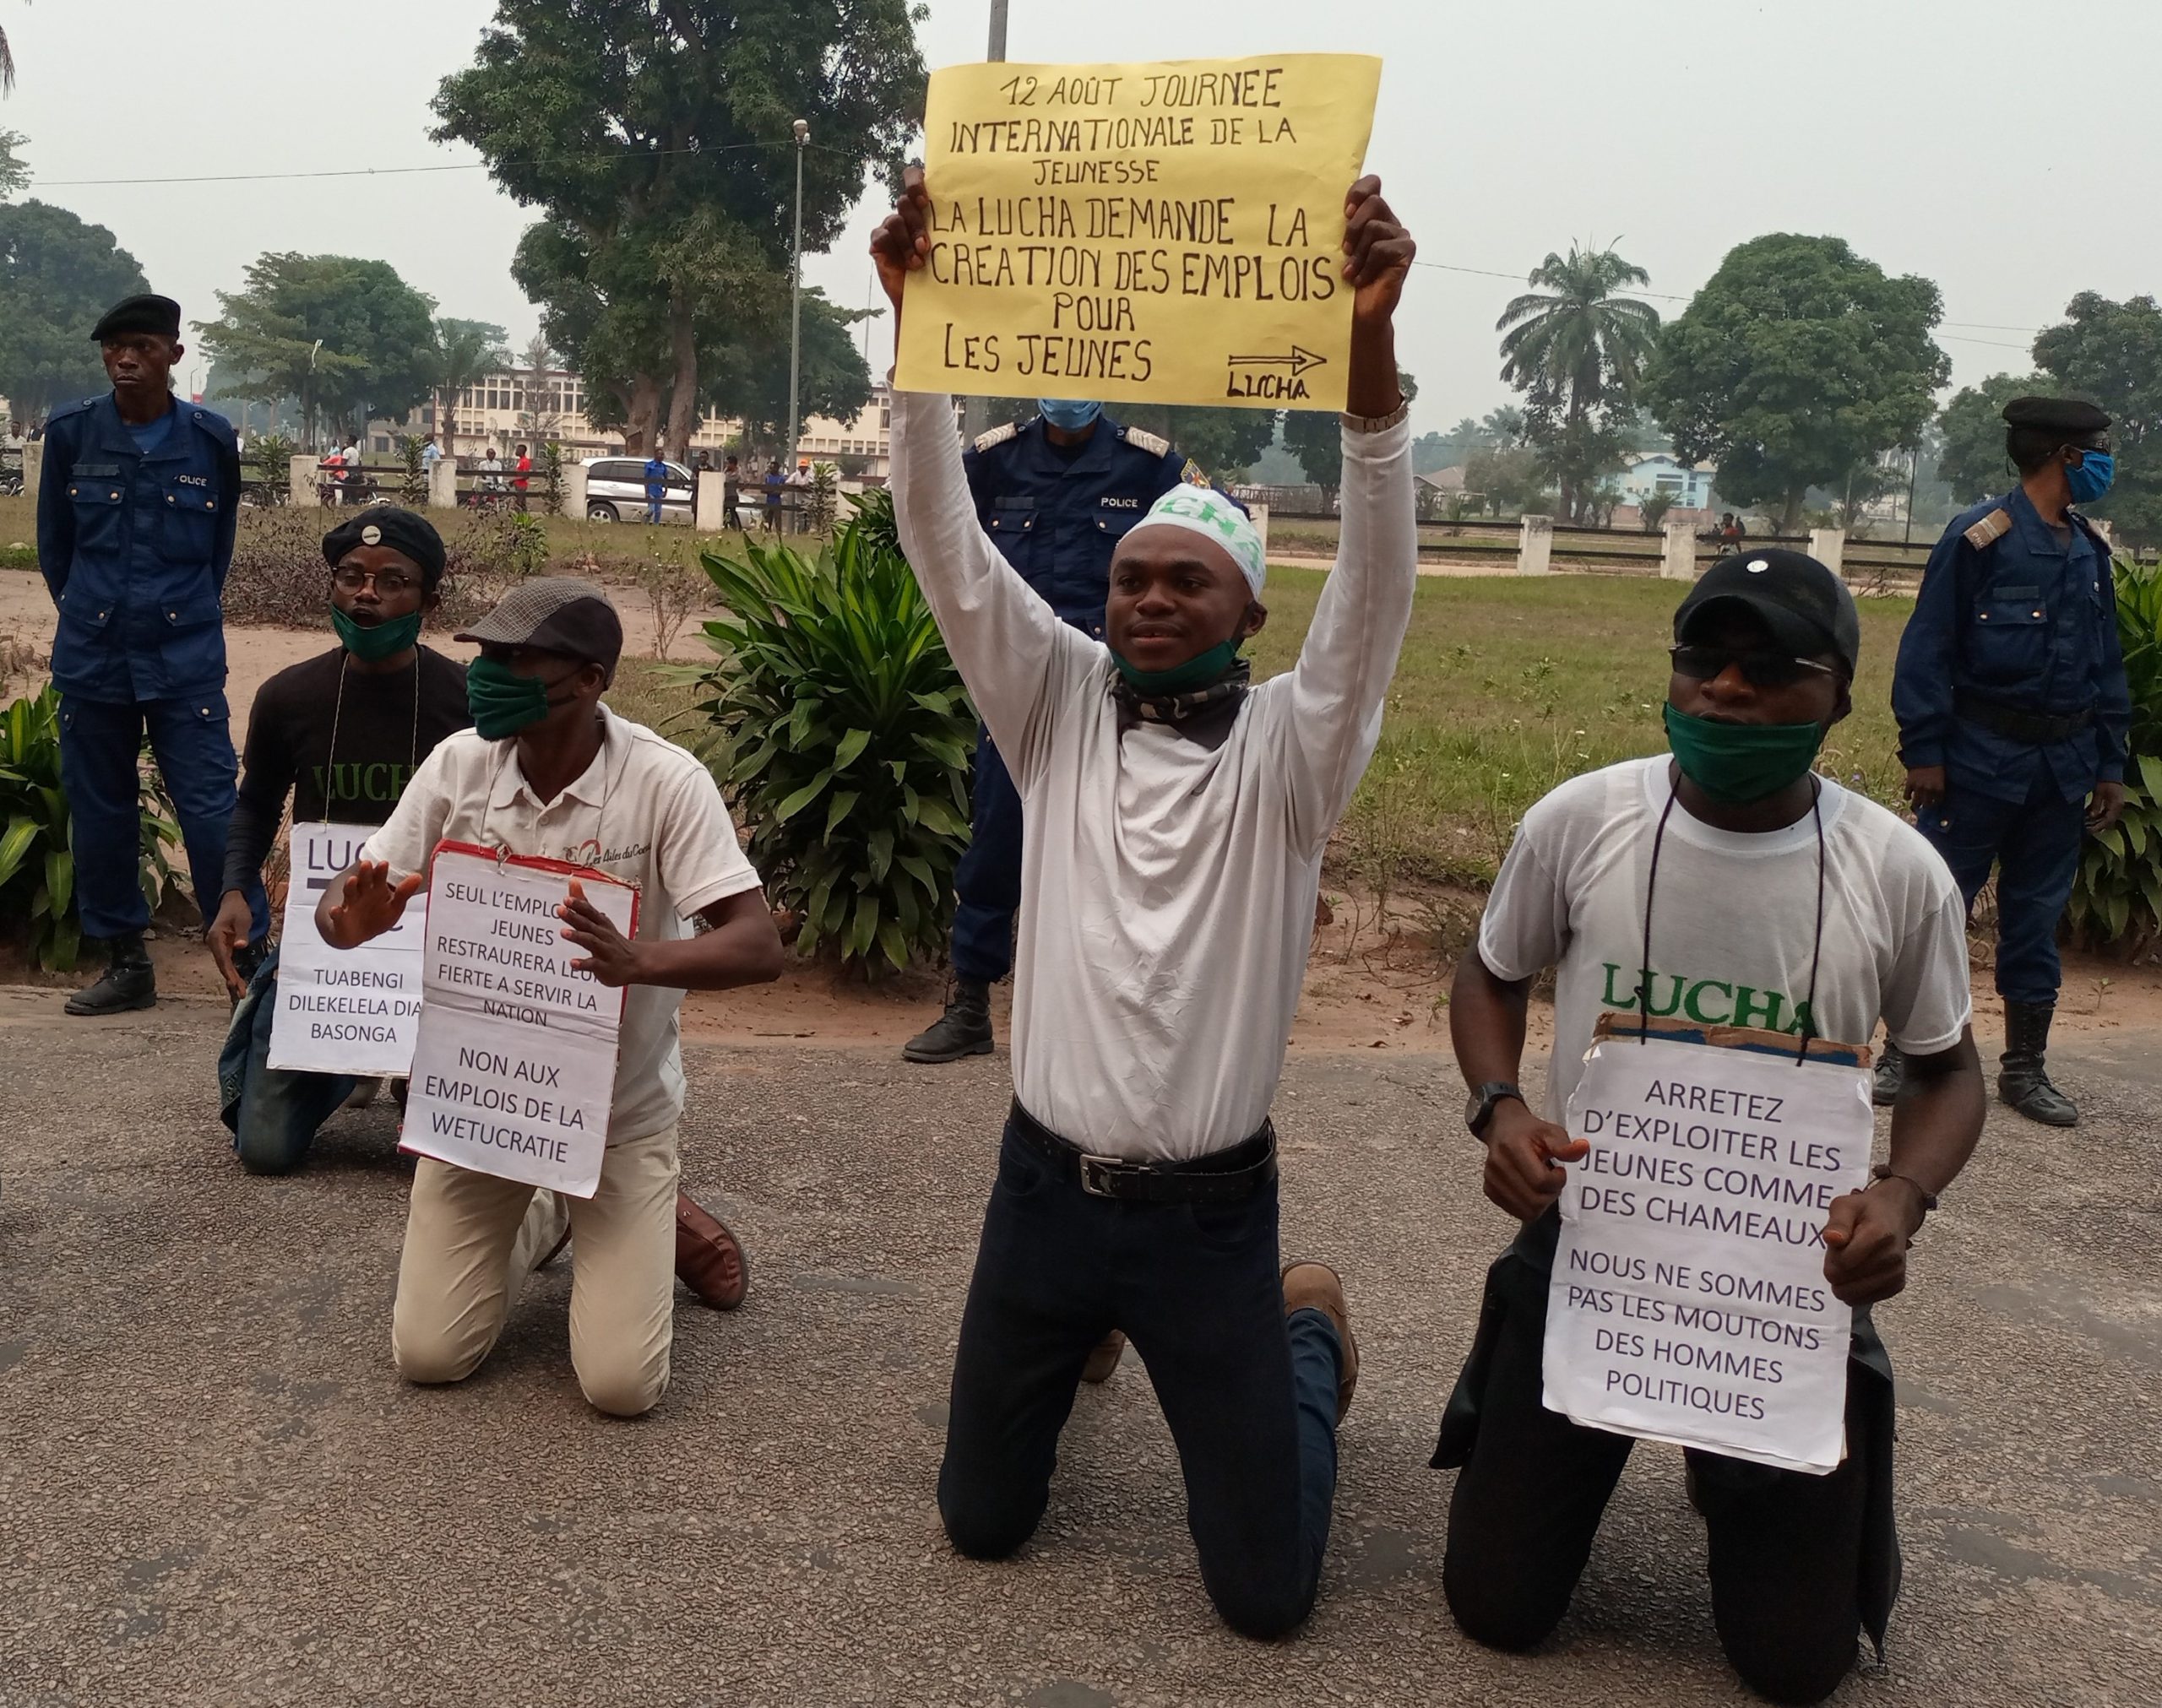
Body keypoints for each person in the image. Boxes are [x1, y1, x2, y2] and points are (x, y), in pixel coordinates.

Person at [872, 169, 1417, 1638]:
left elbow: (1378, 585)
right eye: (1129, 578)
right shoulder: (1052, 708)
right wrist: (916, 325)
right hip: (1043, 1195)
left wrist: (1371, 367)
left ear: (1249, 610)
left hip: (1209, 1221)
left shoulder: (1295, 753)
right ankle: (1082, 1337)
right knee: (980, 1526)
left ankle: (1305, 1331)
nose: (1151, 598)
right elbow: (943, 540)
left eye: (1189, 579)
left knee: (1265, 1597)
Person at [1433, 549, 1986, 1705]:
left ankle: (1726, 1448)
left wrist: (1903, 1195)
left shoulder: (1899, 871)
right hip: (1593, 1251)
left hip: (1783, 1291)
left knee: (1795, 1664)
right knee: (1498, 1608)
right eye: (1701, 662)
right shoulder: (1581, 819)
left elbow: (1946, 1070)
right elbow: (1489, 973)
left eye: (1769, 668)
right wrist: (1501, 1107)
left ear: (1838, 695)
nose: (1726, 690)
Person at [315, 578, 785, 1413]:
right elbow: (344, 912)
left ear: (590, 679)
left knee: (619, 1388)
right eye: (486, 653)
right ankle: (548, 1214)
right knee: (429, 1354)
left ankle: (597, 1204)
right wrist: (354, 917)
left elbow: (757, 944)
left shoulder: (664, 783)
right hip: (482, 1110)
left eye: (515, 658)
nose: (488, 672)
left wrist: (640, 959)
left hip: (615, 1115)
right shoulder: (460, 765)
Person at [899, 402, 1198, 1066]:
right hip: (1020, 688)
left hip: (1116, 689)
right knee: (998, 837)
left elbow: (1216, 532)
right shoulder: (992, 460)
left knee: (1123, 848)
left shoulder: (1147, 465)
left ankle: (1113, 1017)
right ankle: (970, 1002)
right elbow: (932, 522)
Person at [1882, 395, 2130, 1126]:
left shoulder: (2088, 550)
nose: (2105, 464)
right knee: (1936, 909)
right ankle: (1906, 1052)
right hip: (1976, 761)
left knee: (2035, 916)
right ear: (2064, 458)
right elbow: (1927, 648)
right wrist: (1924, 750)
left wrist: (2109, 763)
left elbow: (2105, 667)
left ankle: (2025, 1068)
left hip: (2061, 769)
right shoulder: (1980, 538)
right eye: (2097, 451)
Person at [34, 293, 269, 1015]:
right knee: (102, 809)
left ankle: (248, 966)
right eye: (113, 347)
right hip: (95, 653)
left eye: (141, 346)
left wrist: (177, 614)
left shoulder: (208, 438)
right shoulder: (74, 434)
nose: (125, 359)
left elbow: (217, 547)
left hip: (183, 655)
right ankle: (126, 960)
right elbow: (55, 547)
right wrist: (93, 613)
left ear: (174, 353)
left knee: (208, 806)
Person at [642, 451, 668, 525]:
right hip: (651, 490)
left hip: (659, 491)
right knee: (651, 510)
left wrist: (666, 490)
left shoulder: (663, 466)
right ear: (656, 455)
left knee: (658, 511)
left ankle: (656, 525)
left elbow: (666, 479)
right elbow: (645, 480)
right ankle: (645, 522)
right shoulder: (649, 465)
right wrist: (646, 492)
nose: (662, 456)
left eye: (663, 454)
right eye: (661, 454)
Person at [722, 454, 746, 531]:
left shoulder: (738, 474)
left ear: (732, 464)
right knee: (724, 512)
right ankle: (726, 526)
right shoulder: (726, 472)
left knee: (732, 512)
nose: (727, 465)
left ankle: (737, 527)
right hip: (724, 495)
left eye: (728, 463)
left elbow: (741, 486)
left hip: (732, 495)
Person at [763, 459, 784, 532]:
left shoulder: (781, 478)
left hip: (777, 501)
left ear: (777, 468)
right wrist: (772, 490)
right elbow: (763, 489)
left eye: (773, 468)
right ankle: (767, 533)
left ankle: (779, 534)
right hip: (768, 501)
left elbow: (779, 491)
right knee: (767, 519)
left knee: (778, 520)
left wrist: (770, 490)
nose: (771, 469)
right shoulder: (767, 478)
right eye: (770, 468)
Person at [513, 442, 533, 509]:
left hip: (521, 485)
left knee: (520, 503)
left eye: (517, 450)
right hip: (518, 485)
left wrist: (514, 480)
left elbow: (526, 476)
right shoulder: (520, 460)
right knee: (520, 502)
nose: (516, 451)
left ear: (521, 451)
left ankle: (521, 516)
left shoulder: (525, 461)